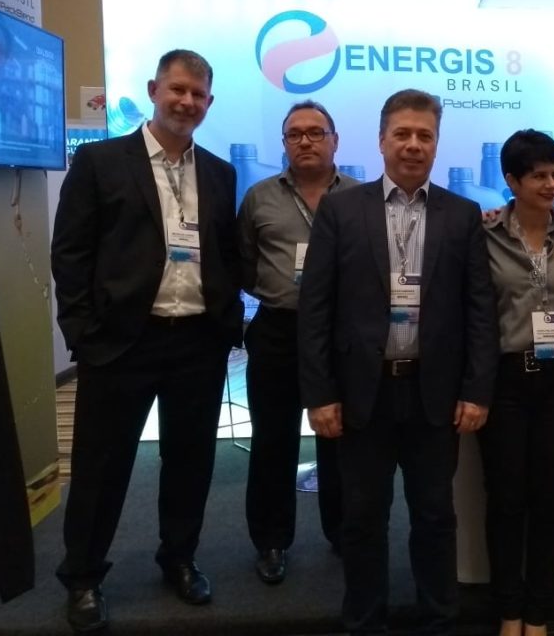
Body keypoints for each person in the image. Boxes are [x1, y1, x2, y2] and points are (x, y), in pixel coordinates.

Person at [51, 49, 243, 632]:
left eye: (198, 95)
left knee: (191, 461)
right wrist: (83, 334)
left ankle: (178, 559)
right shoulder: (100, 161)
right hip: (121, 344)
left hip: (197, 343)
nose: (187, 102)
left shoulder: (219, 172)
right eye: (177, 89)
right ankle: (83, 576)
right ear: (155, 89)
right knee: (100, 467)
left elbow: (225, 253)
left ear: (210, 103)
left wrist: (226, 322)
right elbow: (71, 254)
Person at [298, 88, 499, 635]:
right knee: (363, 518)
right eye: (402, 134)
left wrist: (476, 390)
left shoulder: (462, 215)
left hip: (435, 395)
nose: (413, 145)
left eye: (424, 135)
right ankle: (365, 621)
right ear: (381, 140)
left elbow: (480, 310)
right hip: (363, 393)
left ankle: (439, 620)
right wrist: (320, 395)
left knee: (435, 515)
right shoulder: (342, 210)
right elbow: (315, 309)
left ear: (436, 143)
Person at [237, 100, 359, 584]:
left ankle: (344, 532)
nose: (305, 141)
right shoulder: (259, 198)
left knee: (341, 437)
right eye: (294, 134)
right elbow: (244, 263)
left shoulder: (360, 197)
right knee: (273, 439)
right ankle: (271, 541)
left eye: (315, 132)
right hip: (278, 330)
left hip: (341, 332)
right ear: (284, 143)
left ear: (335, 140)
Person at [480, 130, 554, 636]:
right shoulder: (484, 235)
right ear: (511, 180)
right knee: (506, 501)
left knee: (550, 499)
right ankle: (508, 611)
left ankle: (539, 612)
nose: (550, 184)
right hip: (505, 382)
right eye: (537, 176)